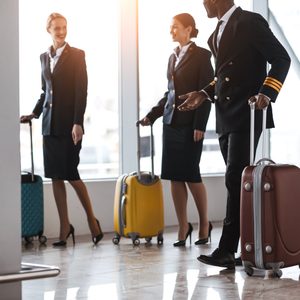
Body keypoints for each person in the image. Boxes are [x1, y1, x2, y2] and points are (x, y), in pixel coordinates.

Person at [178, 1, 290, 267]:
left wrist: (267, 93)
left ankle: (228, 249)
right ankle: (245, 248)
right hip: (225, 115)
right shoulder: (216, 32)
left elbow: (281, 58)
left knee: (234, 179)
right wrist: (203, 93)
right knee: (237, 181)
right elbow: (224, 75)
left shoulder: (249, 22)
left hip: (248, 113)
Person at [20, 13, 103, 247]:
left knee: (71, 174)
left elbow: (81, 91)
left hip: (69, 125)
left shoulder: (77, 55)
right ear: (48, 29)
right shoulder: (43, 58)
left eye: (64, 27)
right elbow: (44, 92)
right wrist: (35, 113)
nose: (61, 31)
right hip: (49, 124)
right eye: (56, 28)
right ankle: (64, 226)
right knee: (55, 176)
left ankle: (91, 220)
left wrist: (78, 122)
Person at [139, 13, 214, 247]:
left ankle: (204, 223)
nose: (171, 31)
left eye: (175, 27)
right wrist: (152, 115)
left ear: (188, 29)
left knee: (191, 176)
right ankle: (183, 225)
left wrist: (200, 125)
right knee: (174, 177)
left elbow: (207, 92)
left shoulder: (202, 55)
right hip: (171, 124)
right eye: (170, 27)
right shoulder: (172, 57)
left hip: (191, 126)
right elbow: (169, 93)